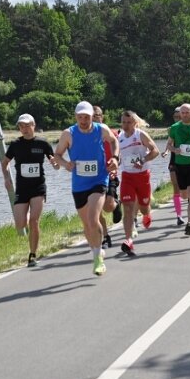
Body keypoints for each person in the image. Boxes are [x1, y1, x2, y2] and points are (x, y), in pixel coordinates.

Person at [53, 101, 120, 276]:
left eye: (87, 117)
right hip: (79, 184)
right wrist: (65, 164)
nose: (83, 120)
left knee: (92, 218)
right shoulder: (69, 134)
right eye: (80, 117)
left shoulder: (101, 129)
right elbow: (57, 154)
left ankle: (98, 259)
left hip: (99, 179)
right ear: (76, 117)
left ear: (92, 116)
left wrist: (114, 157)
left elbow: (114, 141)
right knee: (86, 225)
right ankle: (96, 249)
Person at [1, 113, 55, 268]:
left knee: (34, 221)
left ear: (33, 125)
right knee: (20, 224)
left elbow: (55, 162)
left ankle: (32, 254)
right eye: (21, 126)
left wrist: (55, 163)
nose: (24, 129)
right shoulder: (15, 144)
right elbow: (4, 163)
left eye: (27, 125)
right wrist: (7, 178)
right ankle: (29, 215)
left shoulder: (43, 143)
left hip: (38, 187)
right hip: (22, 188)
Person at [118, 111, 160, 256]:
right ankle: (128, 240)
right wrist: (113, 166)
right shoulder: (119, 137)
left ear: (135, 123)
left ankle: (147, 213)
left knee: (143, 208)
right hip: (127, 177)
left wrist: (142, 160)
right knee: (128, 208)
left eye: (129, 122)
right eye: (123, 122)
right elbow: (118, 158)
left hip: (142, 176)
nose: (126, 125)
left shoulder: (140, 134)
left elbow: (155, 151)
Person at [165, 103, 190, 235]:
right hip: (180, 164)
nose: (184, 115)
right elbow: (169, 145)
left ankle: (189, 222)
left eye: (187, 112)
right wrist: (175, 149)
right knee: (184, 195)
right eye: (182, 113)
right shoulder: (174, 128)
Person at [93, 106, 122, 249]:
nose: (95, 118)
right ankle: (106, 237)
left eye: (97, 115)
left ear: (102, 117)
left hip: (109, 174)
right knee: (96, 209)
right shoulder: (85, 135)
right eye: (92, 116)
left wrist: (115, 162)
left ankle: (117, 204)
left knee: (108, 206)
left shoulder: (109, 134)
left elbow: (118, 153)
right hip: (92, 177)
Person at [162, 107, 184, 226]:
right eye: (175, 117)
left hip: (188, 161)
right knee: (175, 187)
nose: (177, 119)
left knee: (186, 191)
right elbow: (169, 142)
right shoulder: (172, 128)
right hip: (174, 160)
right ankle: (179, 215)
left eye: (179, 116)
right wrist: (166, 151)